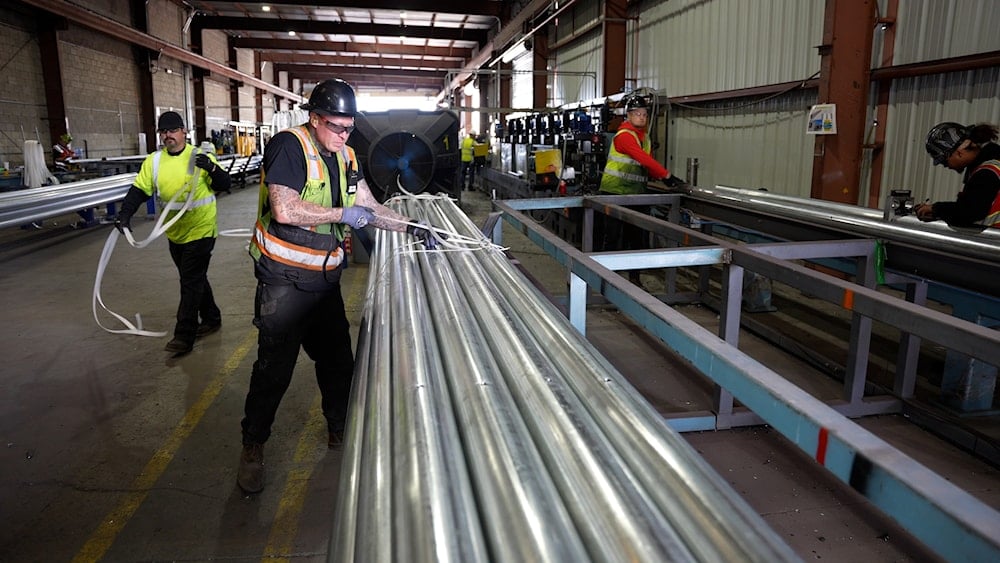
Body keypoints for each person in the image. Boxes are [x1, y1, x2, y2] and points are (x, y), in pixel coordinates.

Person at [237, 78, 441, 494]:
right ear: (314, 119)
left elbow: (369, 207)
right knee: (274, 369)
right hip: (286, 282)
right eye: (337, 127)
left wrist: (412, 227)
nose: (345, 135)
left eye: (350, 128)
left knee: (338, 364)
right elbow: (285, 209)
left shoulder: (347, 155)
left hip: (325, 281)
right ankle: (253, 445)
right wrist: (341, 215)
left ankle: (340, 430)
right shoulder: (290, 147)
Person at [115, 111, 230, 356]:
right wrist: (124, 214)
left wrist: (211, 167)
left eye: (172, 130)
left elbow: (225, 184)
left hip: (201, 229)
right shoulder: (154, 161)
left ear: (184, 132)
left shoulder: (199, 156)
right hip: (174, 232)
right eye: (163, 131)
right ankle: (211, 317)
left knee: (189, 281)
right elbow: (139, 190)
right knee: (194, 279)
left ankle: (184, 335)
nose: (168, 135)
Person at [596, 93, 684, 284]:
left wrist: (660, 177)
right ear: (628, 115)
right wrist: (667, 176)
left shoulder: (645, 139)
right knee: (612, 239)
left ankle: (634, 280)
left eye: (644, 114)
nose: (642, 117)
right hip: (615, 193)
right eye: (637, 113)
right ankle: (606, 279)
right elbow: (643, 159)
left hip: (636, 194)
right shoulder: (624, 136)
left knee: (636, 239)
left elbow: (646, 166)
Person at [915, 122, 1000, 229]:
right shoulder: (991, 163)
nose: (946, 166)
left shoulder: (987, 172)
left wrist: (936, 208)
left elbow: (970, 212)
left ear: (959, 152)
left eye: (945, 161)